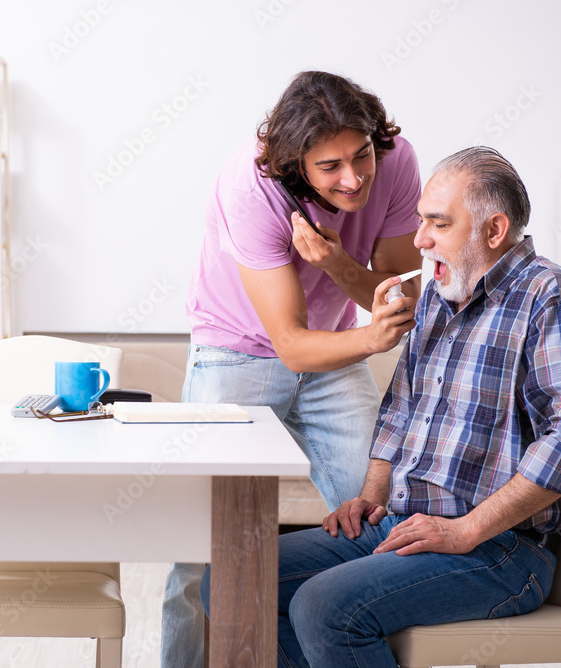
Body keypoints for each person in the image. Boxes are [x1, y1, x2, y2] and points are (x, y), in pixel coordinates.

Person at [200, 146, 561, 667]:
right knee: (232, 580)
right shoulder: (439, 301)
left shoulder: (552, 296)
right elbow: (399, 412)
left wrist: (466, 529)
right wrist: (370, 496)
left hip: (500, 548)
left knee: (325, 606)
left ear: (493, 230)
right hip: (401, 524)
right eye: (420, 221)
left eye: (437, 224)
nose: (419, 241)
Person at [164, 71, 423, 667]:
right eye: (330, 166)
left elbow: (390, 290)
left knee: (383, 514)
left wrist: (334, 261)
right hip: (237, 351)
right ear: (295, 164)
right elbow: (289, 343)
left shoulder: (398, 160)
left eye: (361, 156)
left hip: (333, 348)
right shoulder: (252, 187)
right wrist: (371, 332)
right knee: (198, 549)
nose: (353, 178)